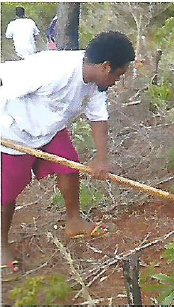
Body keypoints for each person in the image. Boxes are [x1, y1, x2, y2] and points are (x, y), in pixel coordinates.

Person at [0, 31, 135, 280]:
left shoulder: (96, 83)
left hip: (50, 130)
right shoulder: (51, 69)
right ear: (106, 67)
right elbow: (4, 79)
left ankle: (75, 223)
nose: (118, 81)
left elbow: (98, 116)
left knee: (70, 168)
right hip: (13, 132)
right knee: (6, 194)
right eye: (119, 75)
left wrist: (102, 159)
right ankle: (1, 245)